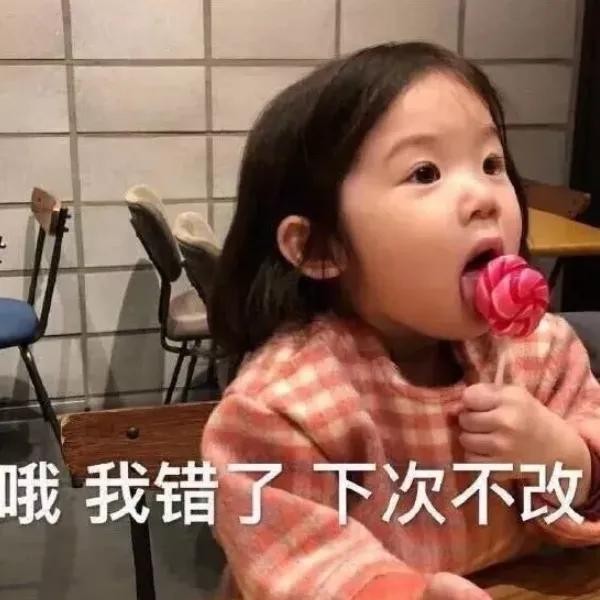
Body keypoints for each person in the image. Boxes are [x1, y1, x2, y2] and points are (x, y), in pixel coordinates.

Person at [201, 42, 600, 600]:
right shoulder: (286, 405)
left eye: (491, 164)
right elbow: (300, 559)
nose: (483, 197)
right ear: (321, 247)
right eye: (425, 172)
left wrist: (565, 458)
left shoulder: (541, 352)